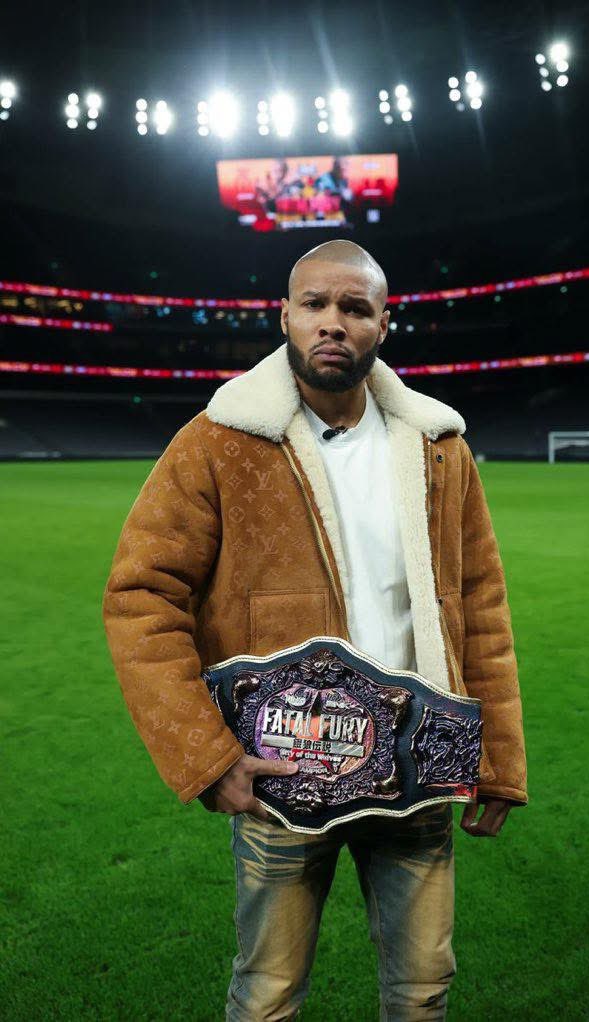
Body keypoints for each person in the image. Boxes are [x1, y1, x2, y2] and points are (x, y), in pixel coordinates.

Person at [102, 239, 528, 1021]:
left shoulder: (438, 449)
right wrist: (205, 755)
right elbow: (141, 598)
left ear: (383, 325)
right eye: (315, 305)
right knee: (266, 996)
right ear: (286, 316)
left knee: (423, 990)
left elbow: (481, 608)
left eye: (355, 308)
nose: (333, 323)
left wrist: (496, 758)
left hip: (419, 769)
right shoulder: (219, 441)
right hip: (282, 773)